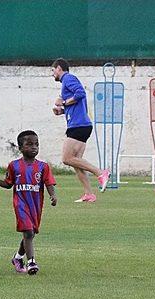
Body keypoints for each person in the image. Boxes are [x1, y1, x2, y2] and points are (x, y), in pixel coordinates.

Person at [0, 130, 57, 275]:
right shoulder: (14, 166)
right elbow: (8, 184)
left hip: (36, 205)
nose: (34, 147)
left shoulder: (43, 166)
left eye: (36, 144)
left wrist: (53, 195)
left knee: (30, 234)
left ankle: (18, 257)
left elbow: (48, 183)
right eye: (29, 144)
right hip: (20, 204)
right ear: (20, 148)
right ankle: (31, 262)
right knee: (28, 232)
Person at [51, 58, 110, 203]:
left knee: (66, 159)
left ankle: (100, 173)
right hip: (81, 124)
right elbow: (77, 103)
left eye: (53, 71)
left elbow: (80, 94)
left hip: (78, 125)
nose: (52, 74)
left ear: (59, 68)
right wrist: (63, 111)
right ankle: (89, 194)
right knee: (76, 162)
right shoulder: (67, 81)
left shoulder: (68, 78)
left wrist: (63, 102)